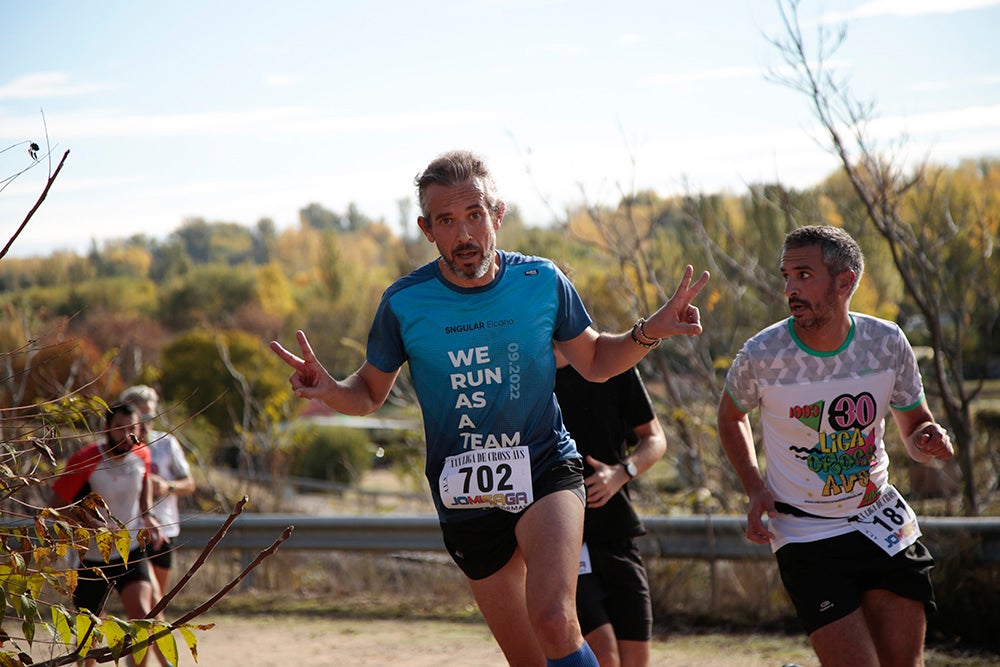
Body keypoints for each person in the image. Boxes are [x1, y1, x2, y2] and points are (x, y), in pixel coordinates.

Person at [271, 149, 710, 667]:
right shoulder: (404, 303)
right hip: (463, 491)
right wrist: (329, 389)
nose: (463, 234)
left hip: (546, 466)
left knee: (553, 620)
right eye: (446, 221)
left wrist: (649, 331)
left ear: (497, 216)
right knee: (527, 659)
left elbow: (594, 361)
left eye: (475, 215)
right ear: (426, 229)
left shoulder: (541, 282)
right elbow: (368, 392)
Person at [717, 225, 955, 667]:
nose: (790, 288)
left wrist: (928, 438)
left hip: (880, 520)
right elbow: (730, 416)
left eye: (803, 275)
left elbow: (915, 429)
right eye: (786, 275)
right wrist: (754, 486)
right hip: (805, 533)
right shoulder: (762, 354)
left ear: (844, 282)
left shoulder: (886, 343)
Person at [553, 346, 666, 667]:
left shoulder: (614, 366)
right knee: (604, 656)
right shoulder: (527, 378)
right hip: (563, 542)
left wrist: (621, 473)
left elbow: (655, 437)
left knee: (635, 661)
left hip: (618, 535)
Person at [50, 402, 164, 667]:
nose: (127, 436)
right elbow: (55, 506)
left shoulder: (142, 455)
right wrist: (91, 524)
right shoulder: (86, 459)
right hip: (91, 560)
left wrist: (149, 515)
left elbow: (144, 485)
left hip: (130, 553)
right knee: (88, 638)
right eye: (119, 429)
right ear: (106, 429)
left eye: (132, 429)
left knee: (143, 618)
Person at [119, 384, 196, 597]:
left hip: (164, 529)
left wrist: (166, 486)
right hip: (131, 531)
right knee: (147, 596)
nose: (146, 424)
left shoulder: (166, 444)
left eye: (151, 416)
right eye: (140, 417)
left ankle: (151, 630)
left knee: (157, 602)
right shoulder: (118, 449)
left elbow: (189, 484)